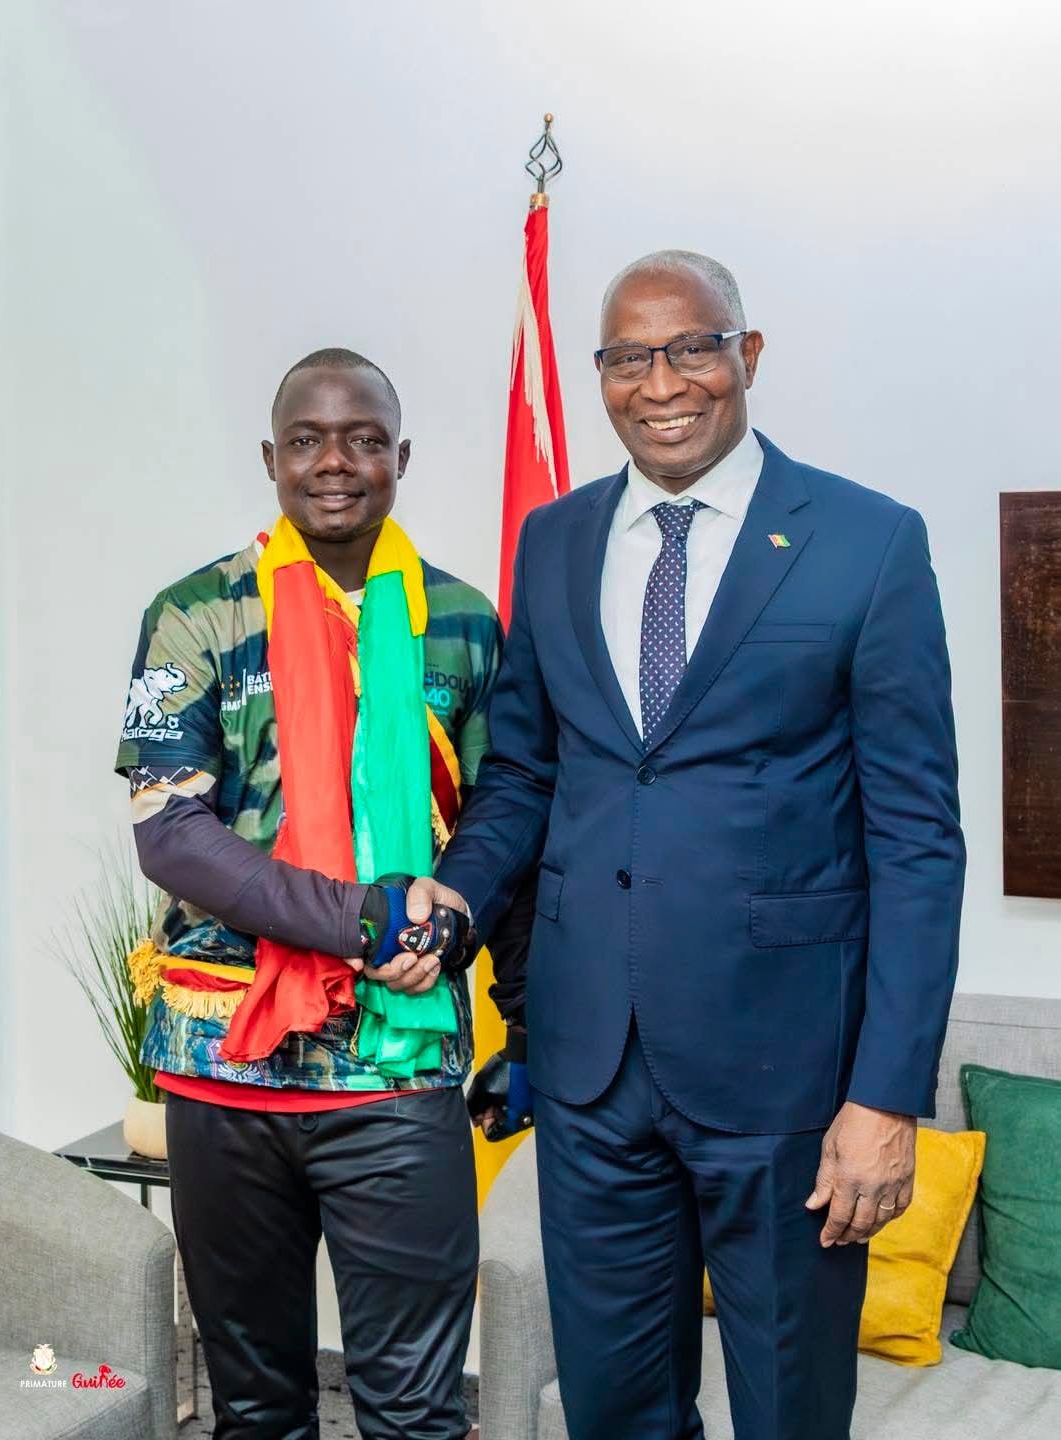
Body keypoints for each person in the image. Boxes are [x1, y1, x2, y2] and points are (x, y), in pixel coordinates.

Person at [407, 252, 966, 1440]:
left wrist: (884, 1097)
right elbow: (525, 772)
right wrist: (456, 895)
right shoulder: (555, 540)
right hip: (589, 1068)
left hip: (785, 1080)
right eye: (627, 358)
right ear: (599, 374)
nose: (659, 384)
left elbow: (918, 840)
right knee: (614, 1411)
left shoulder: (866, 542)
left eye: (690, 349)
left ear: (745, 355)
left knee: (788, 1414)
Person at [115, 348, 522, 1440]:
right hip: (225, 1068)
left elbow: (507, 824)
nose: (334, 462)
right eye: (307, 440)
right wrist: (361, 919)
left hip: (398, 1070)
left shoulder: (463, 622)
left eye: (363, 439)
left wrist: (517, 1013)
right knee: (256, 1412)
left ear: (401, 458)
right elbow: (173, 837)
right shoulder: (195, 613)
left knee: (416, 1415)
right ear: (270, 458)